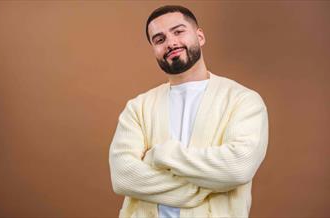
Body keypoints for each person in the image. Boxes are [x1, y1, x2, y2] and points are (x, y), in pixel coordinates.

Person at [109, 5, 269, 218]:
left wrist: (160, 155)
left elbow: (238, 167)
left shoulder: (243, 100)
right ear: (154, 49)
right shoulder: (138, 108)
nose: (171, 43)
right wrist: (203, 186)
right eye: (159, 39)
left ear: (200, 36)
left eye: (178, 31)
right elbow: (123, 177)